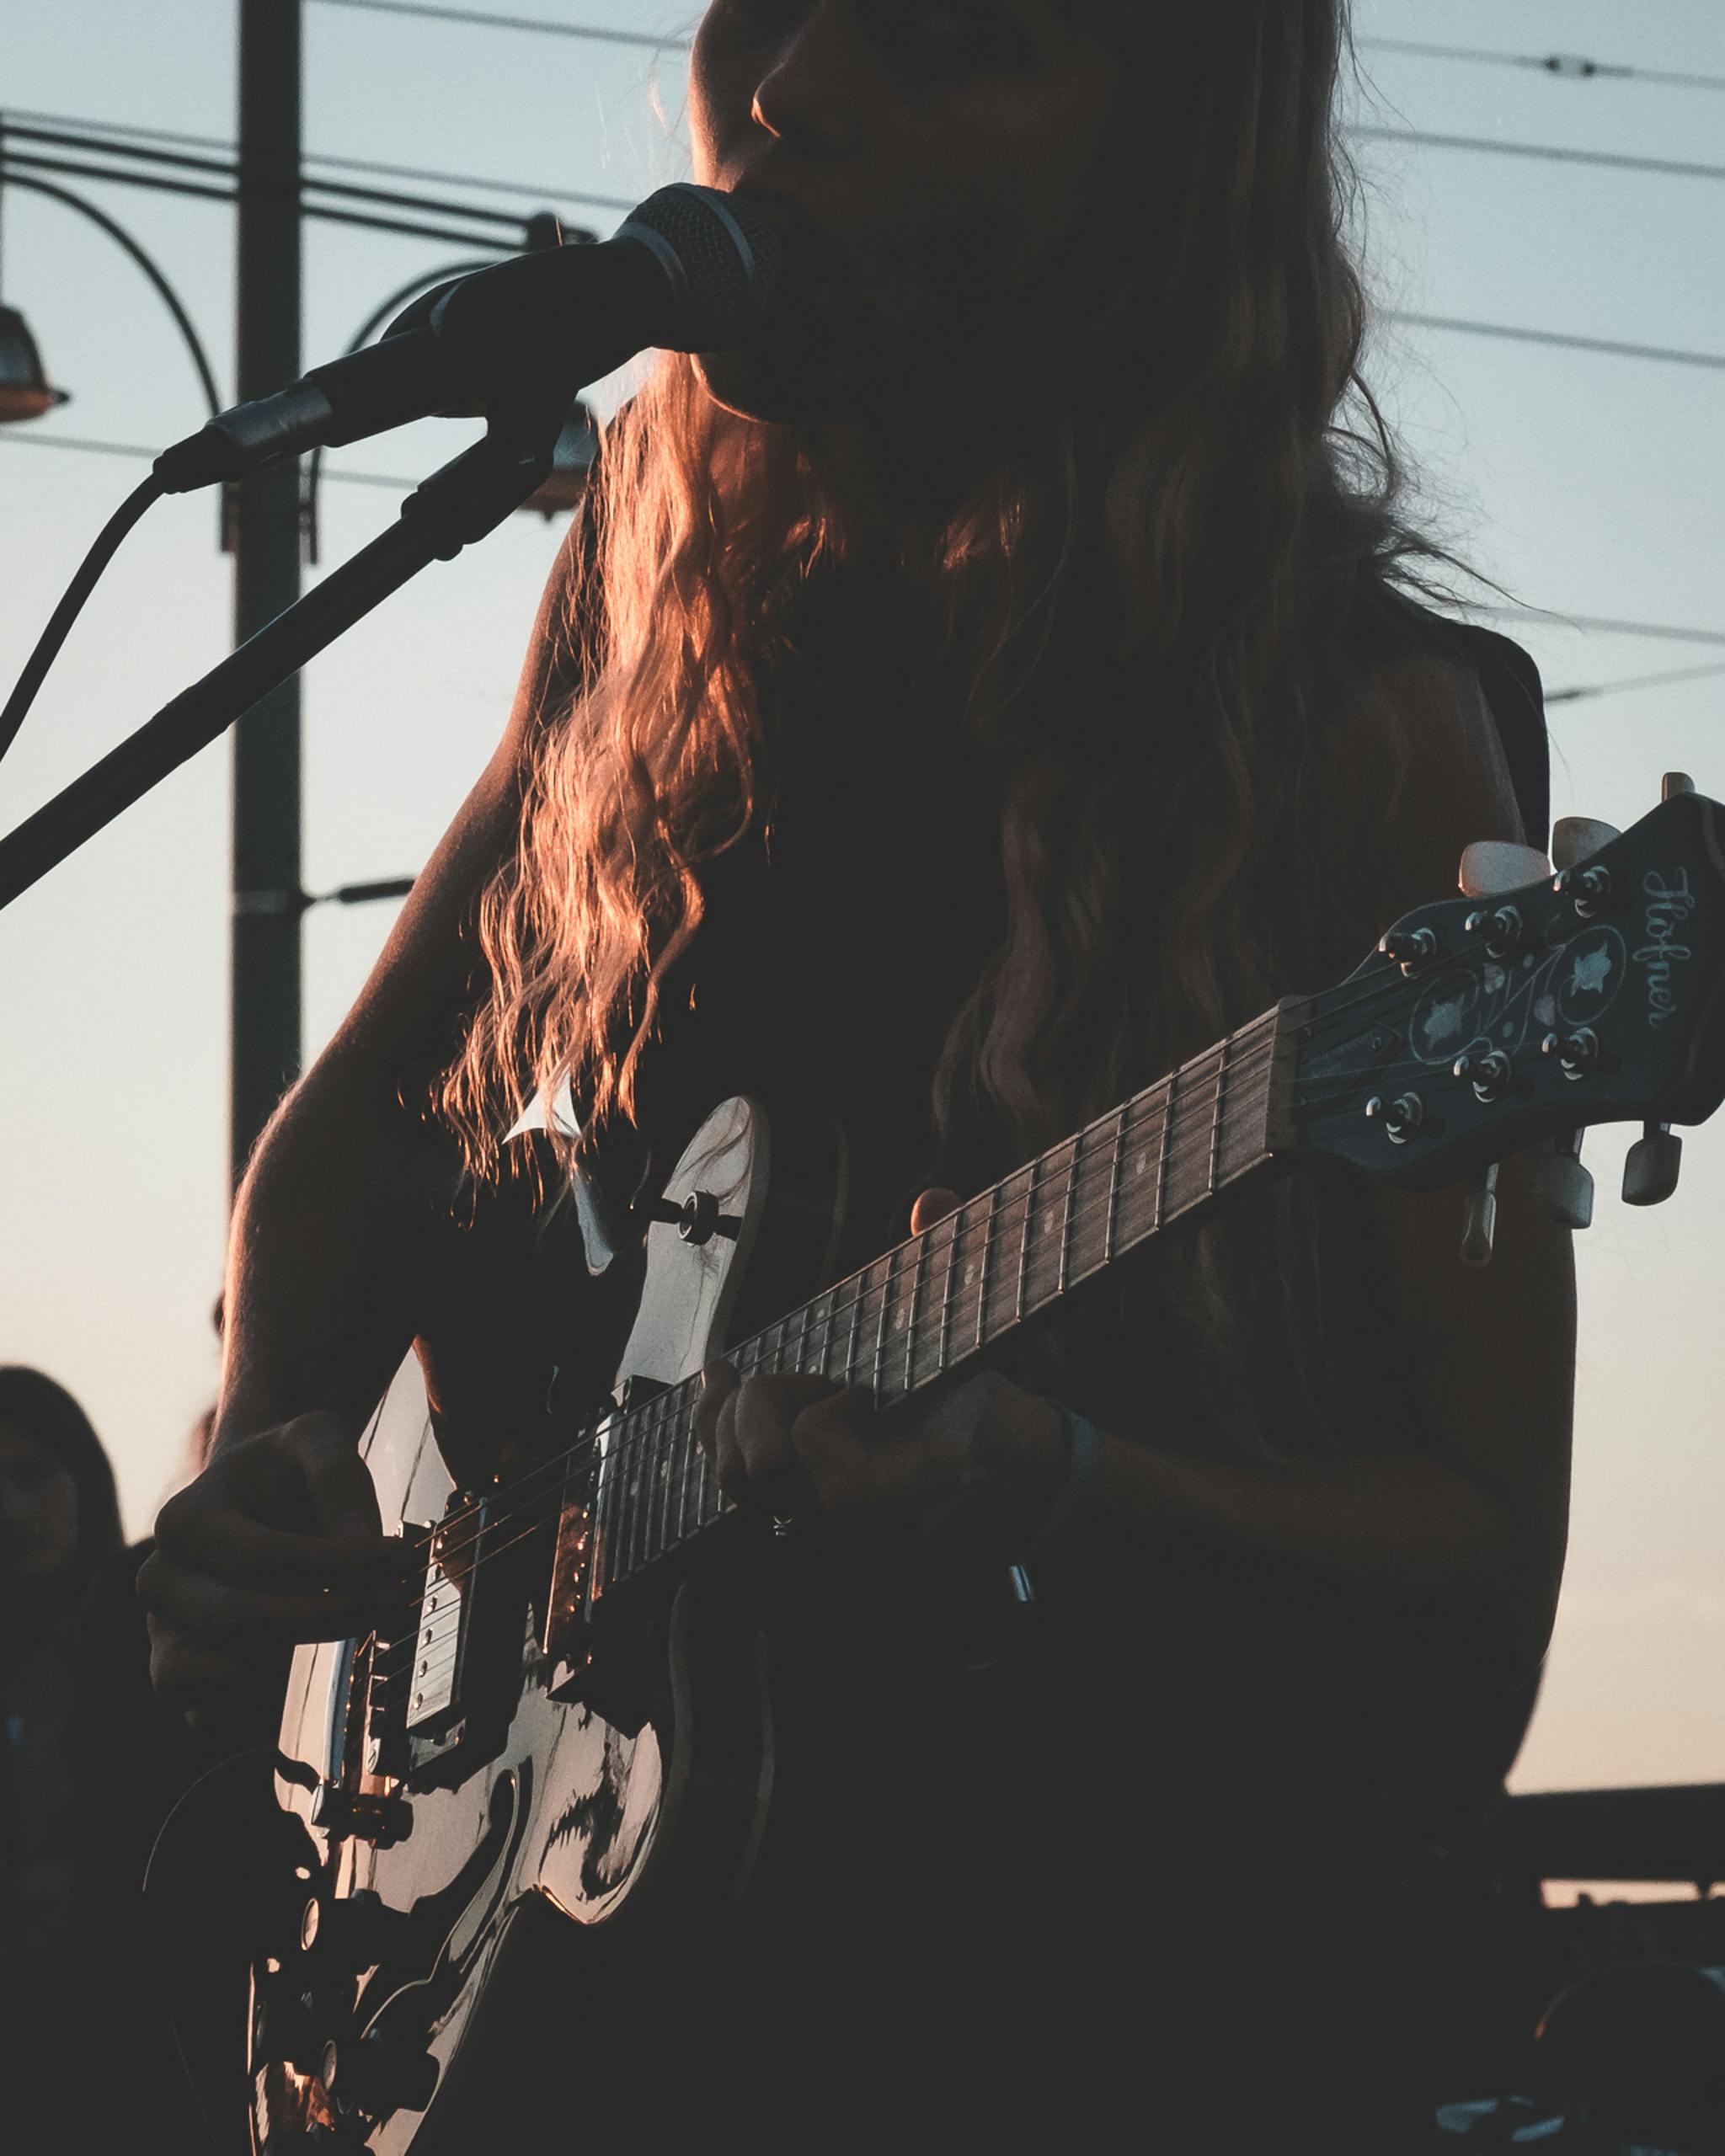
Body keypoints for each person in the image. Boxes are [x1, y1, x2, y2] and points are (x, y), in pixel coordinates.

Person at [141, 2, 1576, 2143]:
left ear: (1167, 160)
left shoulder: (1371, 738)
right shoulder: (659, 578)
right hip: (590, 2021)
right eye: (778, 9)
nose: (794, 91)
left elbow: (1477, 1582)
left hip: (1095, 2021)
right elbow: (360, 1121)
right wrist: (273, 1446)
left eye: (953, 40)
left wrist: (1056, 1473)